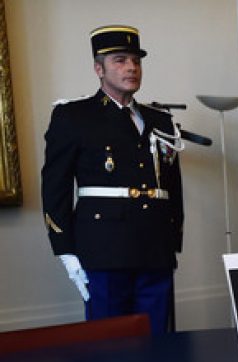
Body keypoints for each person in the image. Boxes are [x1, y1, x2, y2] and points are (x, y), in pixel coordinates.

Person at [42, 25, 185, 334]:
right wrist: (65, 250)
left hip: (155, 246)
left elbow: (172, 185)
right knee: (109, 345)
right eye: (120, 60)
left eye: (136, 60)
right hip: (104, 249)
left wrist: (173, 240)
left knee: (160, 340)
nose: (131, 68)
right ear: (99, 68)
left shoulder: (160, 119)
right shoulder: (74, 116)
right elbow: (56, 185)